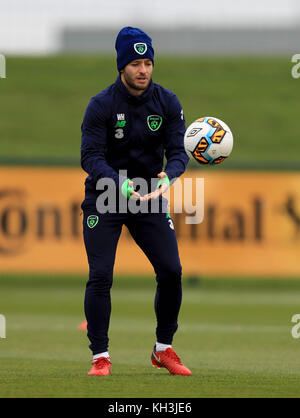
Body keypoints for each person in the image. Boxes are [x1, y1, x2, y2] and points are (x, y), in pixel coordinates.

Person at [81, 26, 191, 376]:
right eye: (135, 63)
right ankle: (100, 356)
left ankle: (164, 349)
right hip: (105, 195)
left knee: (172, 271)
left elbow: (178, 152)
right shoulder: (101, 105)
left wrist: (170, 174)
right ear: (121, 67)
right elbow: (90, 157)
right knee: (100, 275)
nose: (143, 69)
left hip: (148, 196)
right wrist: (118, 183)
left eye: (147, 62)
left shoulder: (168, 102)